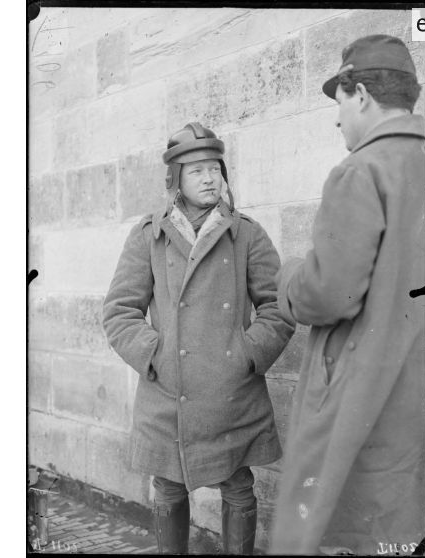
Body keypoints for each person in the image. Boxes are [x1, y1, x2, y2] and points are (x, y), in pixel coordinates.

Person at [102, 122, 295, 555]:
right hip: (167, 391)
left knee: (238, 485)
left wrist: (246, 355)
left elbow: (278, 306)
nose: (210, 178)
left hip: (232, 391)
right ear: (175, 181)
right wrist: (156, 355)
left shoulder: (246, 233)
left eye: (215, 169)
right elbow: (119, 311)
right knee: (169, 487)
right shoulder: (148, 234)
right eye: (196, 171)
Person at [270, 35, 425, 555]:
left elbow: (326, 296)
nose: (337, 120)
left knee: (347, 528)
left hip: (368, 397)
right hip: (418, 396)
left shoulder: (361, 170)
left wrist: (289, 275)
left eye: (338, 102)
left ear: (360, 94)